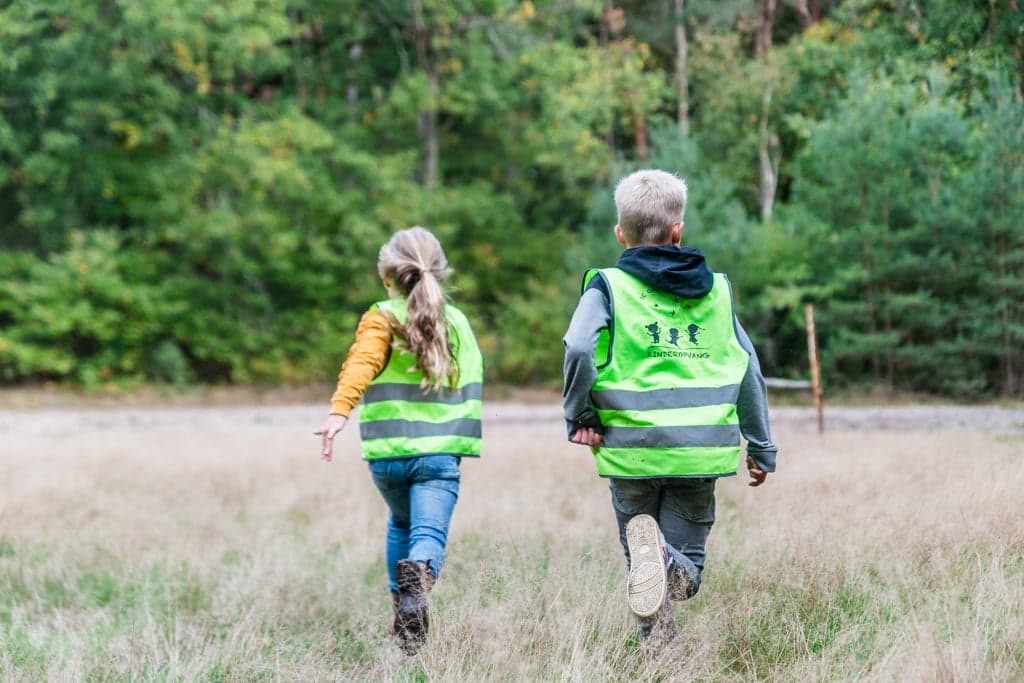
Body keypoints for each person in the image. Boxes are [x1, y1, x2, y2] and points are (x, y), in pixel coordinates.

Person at [562, 169, 777, 648]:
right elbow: (749, 369)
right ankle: (665, 644)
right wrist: (761, 444)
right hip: (697, 454)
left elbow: (578, 347)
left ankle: (661, 646)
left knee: (643, 569)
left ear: (621, 233)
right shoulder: (718, 291)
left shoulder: (607, 288)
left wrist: (579, 415)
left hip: (630, 451)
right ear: (678, 230)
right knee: (683, 574)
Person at [314, 227, 483, 655]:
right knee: (426, 533)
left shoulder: (381, 317)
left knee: (401, 524)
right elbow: (471, 381)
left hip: (387, 456)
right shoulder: (456, 322)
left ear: (387, 277)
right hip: (439, 453)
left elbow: (362, 364)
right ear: (438, 272)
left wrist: (339, 413)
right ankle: (419, 579)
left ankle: (402, 614)